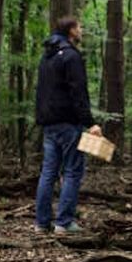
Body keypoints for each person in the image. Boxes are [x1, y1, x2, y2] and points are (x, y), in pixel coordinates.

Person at [34, 16, 102, 234]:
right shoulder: (71, 56)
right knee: (73, 170)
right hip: (68, 123)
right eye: (79, 27)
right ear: (71, 31)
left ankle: (42, 223)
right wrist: (89, 123)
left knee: (49, 172)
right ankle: (64, 223)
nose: (81, 30)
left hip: (49, 122)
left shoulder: (47, 56)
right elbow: (78, 92)